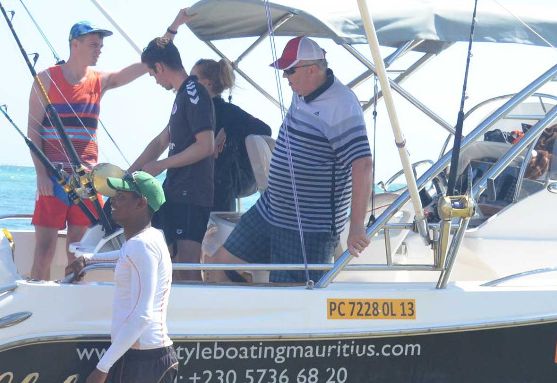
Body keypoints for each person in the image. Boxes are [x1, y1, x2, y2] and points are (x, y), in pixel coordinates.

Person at [208, 36, 373, 283]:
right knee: (216, 268)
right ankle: (245, 320)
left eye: (290, 71)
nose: (286, 78)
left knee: (291, 299)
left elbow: (362, 164)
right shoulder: (304, 89)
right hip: (271, 208)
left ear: (313, 70)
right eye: (284, 72)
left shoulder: (342, 105)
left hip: (306, 228)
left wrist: (357, 224)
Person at [25, 21, 148, 280]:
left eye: (101, 46)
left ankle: (72, 302)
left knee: (79, 255)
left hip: (87, 182)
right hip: (53, 178)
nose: (99, 50)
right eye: (94, 45)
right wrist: (41, 175)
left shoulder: (99, 81)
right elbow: (33, 132)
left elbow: (139, 68)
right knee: (44, 252)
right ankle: (38, 301)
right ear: (75, 45)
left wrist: (169, 35)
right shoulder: (45, 80)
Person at [80, 171, 177, 383]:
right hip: (131, 356)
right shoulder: (147, 239)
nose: (112, 204)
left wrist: (102, 367)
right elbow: (122, 255)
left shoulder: (142, 247)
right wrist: (89, 260)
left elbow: (143, 316)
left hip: (147, 359)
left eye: (120, 199)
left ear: (140, 203)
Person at [128, 27, 215, 280]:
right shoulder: (181, 97)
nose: (155, 81)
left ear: (159, 67)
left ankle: (196, 317)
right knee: (171, 265)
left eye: (151, 74)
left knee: (186, 267)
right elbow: (161, 140)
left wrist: (161, 165)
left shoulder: (194, 93)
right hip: (176, 192)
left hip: (192, 194)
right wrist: (129, 173)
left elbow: (206, 145)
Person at [192, 57, 272, 213]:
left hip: (221, 187)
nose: (188, 85)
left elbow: (265, 129)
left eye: (192, 79)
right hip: (200, 187)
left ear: (206, 83)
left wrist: (227, 131)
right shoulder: (196, 111)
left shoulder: (227, 111)